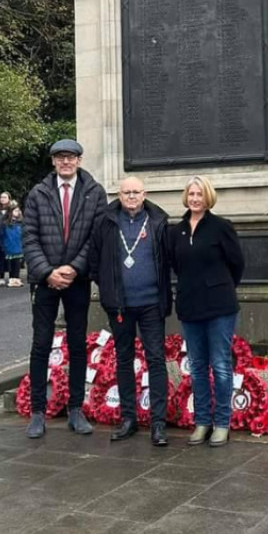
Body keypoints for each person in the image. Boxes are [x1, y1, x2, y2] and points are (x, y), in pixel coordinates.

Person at [22, 138, 107, 439]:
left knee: (77, 344)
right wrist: (47, 272)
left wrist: (74, 268)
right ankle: (37, 412)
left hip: (77, 280)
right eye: (60, 158)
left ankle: (75, 409)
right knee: (41, 344)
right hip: (45, 282)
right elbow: (29, 237)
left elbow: (96, 236)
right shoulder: (38, 193)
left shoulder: (95, 193)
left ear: (79, 160)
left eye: (71, 157)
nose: (66, 162)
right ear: (53, 162)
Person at [89, 176, 173, 447]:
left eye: (136, 192)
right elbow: (95, 261)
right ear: (119, 195)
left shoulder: (159, 220)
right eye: (127, 193)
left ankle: (158, 423)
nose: (132, 197)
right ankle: (129, 418)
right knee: (124, 360)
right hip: (121, 306)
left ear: (144, 194)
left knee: (156, 360)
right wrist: (110, 290)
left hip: (151, 303)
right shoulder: (106, 221)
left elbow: (169, 259)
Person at [171, 176, 245, 448]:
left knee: (222, 365)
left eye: (199, 194)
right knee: (198, 367)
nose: (195, 199)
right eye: (191, 194)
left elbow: (237, 263)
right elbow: (177, 266)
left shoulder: (221, 228)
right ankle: (202, 421)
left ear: (208, 197)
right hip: (190, 306)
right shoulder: (176, 230)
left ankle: (222, 423)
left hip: (219, 307)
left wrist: (219, 286)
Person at [2, 206, 24, 286]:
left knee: (17, 263)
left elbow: (24, 235)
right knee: (10, 264)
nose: (17, 212)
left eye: (18, 210)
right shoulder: (5, 224)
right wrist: (4, 246)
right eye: (15, 210)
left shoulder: (21, 223)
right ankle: (11, 279)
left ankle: (16, 278)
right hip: (9, 246)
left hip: (18, 246)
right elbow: (2, 235)